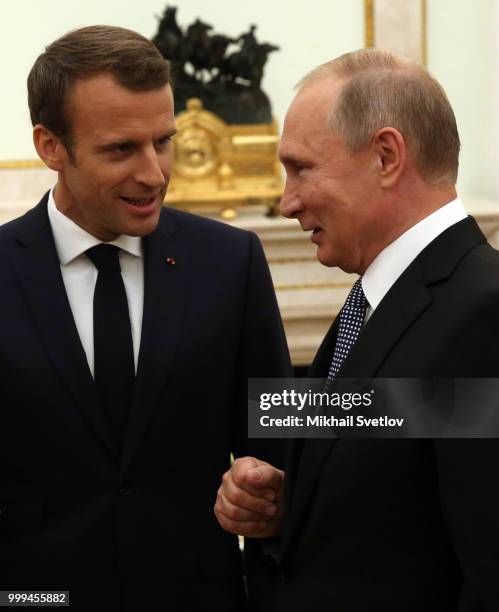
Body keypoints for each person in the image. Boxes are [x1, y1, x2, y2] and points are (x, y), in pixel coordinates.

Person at [0, 25, 291, 612]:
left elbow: (279, 438)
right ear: (50, 146)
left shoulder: (231, 263)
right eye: (121, 149)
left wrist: (268, 491)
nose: (155, 174)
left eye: (163, 141)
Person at [215, 48, 499, 611]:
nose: (287, 201)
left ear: (386, 156)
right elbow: (398, 492)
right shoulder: (376, 300)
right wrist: (284, 508)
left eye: (301, 168)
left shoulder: (483, 312)